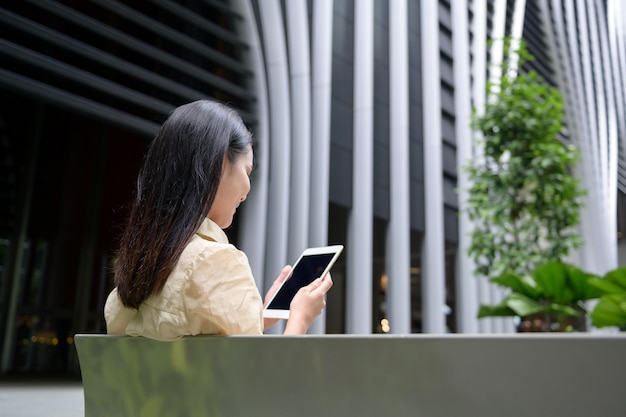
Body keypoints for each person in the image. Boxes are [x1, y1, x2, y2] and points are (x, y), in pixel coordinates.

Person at [104, 99, 332, 340]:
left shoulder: (136, 271)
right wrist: (300, 319)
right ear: (222, 163)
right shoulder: (215, 262)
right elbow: (265, 377)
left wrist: (259, 315)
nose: (246, 192)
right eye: (247, 171)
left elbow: (184, 328)